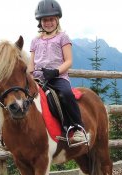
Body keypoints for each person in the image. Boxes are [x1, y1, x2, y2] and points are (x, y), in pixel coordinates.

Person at [28, 0, 87, 145]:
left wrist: (55, 72)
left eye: (51, 19)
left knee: (66, 94)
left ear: (57, 19)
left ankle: (78, 128)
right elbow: (31, 63)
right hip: (38, 78)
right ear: (40, 21)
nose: (48, 22)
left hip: (58, 77)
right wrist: (29, 75)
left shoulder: (63, 37)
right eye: (45, 20)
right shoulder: (35, 41)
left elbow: (68, 61)